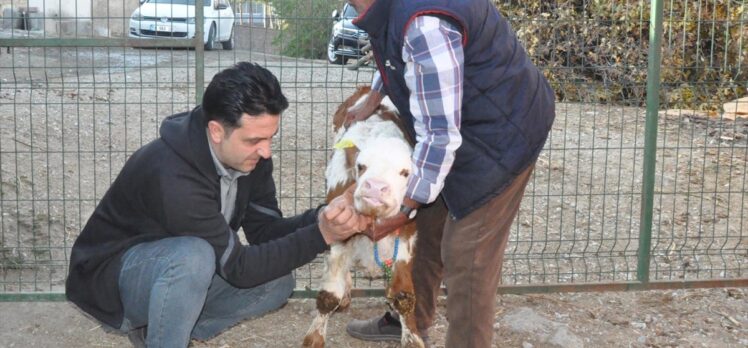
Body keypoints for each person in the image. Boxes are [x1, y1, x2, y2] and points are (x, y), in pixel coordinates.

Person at [65, 62, 371, 348]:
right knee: (193, 257)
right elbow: (238, 268)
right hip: (111, 281)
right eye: (254, 140)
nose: (265, 151)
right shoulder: (173, 174)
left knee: (277, 280)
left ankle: (167, 325)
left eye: (270, 137)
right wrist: (322, 234)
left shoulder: (252, 159)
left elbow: (265, 232)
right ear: (215, 131)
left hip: (176, 272)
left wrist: (322, 217)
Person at [342, 0, 556, 347]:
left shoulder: (423, 23)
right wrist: (375, 95)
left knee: (467, 256)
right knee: (425, 231)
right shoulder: (396, 13)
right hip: (467, 125)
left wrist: (407, 204)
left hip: (503, 135)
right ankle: (408, 319)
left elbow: (440, 134)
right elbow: (400, 51)